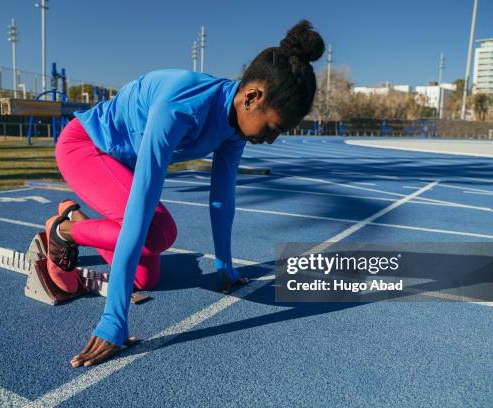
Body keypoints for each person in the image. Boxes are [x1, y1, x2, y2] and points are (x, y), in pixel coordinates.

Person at [45, 20, 324, 368]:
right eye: (274, 127)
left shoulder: (237, 127)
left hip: (123, 166)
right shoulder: (180, 105)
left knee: (146, 278)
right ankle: (63, 230)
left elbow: (222, 196)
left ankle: (76, 218)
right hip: (86, 147)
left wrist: (225, 264)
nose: (271, 138)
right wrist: (114, 320)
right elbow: (141, 205)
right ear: (252, 97)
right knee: (159, 231)